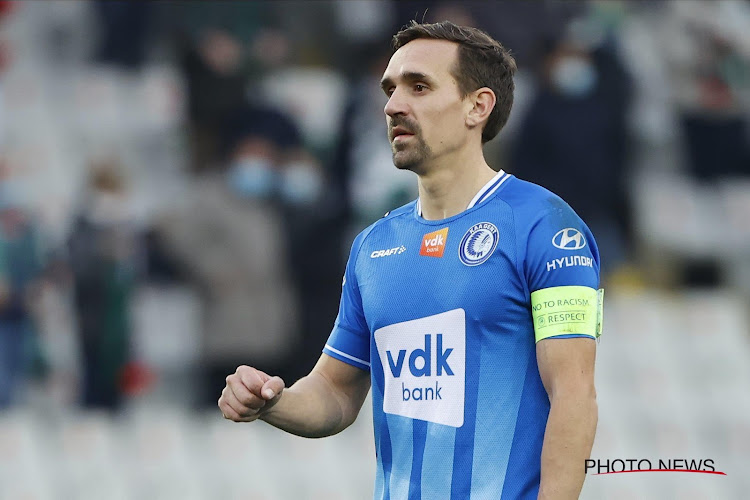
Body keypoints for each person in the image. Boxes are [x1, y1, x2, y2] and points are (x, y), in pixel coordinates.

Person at [219, 21, 602, 500]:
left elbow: (573, 394)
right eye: (390, 89)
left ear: (477, 106)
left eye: (419, 87)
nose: (394, 105)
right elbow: (335, 392)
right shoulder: (373, 247)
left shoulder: (545, 226)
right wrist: (273, 402)